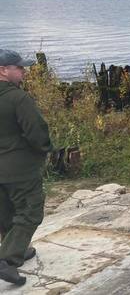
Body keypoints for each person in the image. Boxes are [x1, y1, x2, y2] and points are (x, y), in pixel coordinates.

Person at [0, 50, 52, 286]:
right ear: (3, 70)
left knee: (6, 211)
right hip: (19, 167)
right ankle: (6, 261)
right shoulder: (18, 98)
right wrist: (45, 150)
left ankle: (19, 249)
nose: (23, 71)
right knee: (30, 210)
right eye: (18, 67)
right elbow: (37, 132)